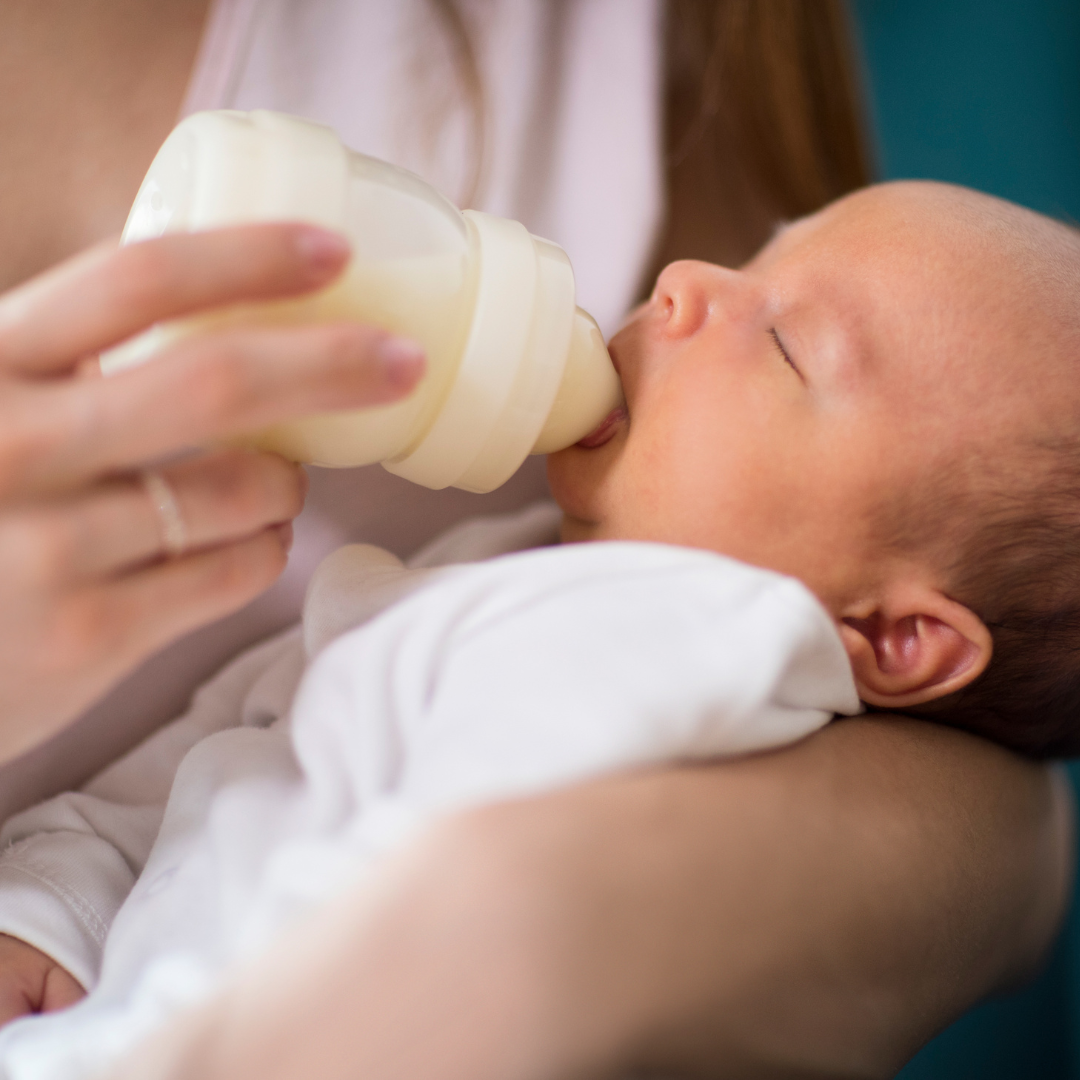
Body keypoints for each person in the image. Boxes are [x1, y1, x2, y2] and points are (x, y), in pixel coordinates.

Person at [0, 2, 1069, 1076]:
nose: (684, 282)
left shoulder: (709, 652)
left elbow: (412, 922)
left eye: (787, 343)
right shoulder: (493, 567)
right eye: (756, 259)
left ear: (892, 639)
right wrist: (53, 912)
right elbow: (206, 772)